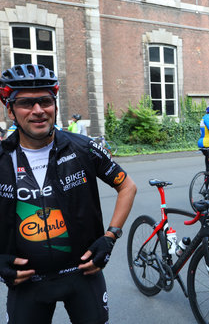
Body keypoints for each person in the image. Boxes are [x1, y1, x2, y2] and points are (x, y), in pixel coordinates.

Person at [0, 64, 137, 323]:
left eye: (45, 101)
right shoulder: (2, 157)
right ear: (10, 110)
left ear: (55, 105)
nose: (38, 111)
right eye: (26, 103)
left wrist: (110, 238)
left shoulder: (83, 147)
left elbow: (127, 186)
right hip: (28, 280)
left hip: (83, 273)